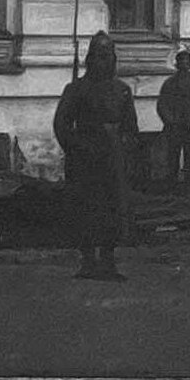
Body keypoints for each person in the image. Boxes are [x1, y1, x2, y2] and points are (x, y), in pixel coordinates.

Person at [53, 31, 139, 280]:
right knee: (86, 209)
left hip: (113, 158)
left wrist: (125, 147)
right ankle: (88, 261)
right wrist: (78, 148)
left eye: (108, 55)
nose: (104, 60)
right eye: (99, 55)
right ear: (90, 58)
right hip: (86, 160)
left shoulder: (122, 90)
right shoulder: (76, 89)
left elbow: (131, 127)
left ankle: (108, 261)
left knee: (114, 209)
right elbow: (61, 125)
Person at [156, 50, 190, 196]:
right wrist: (170, 121)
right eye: (181, 61)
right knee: (172, 159)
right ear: (177, 64)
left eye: (187, 62)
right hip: (175, 128)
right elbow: (162, 105)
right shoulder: (170, 83)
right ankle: (171, 188)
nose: (184, 64)